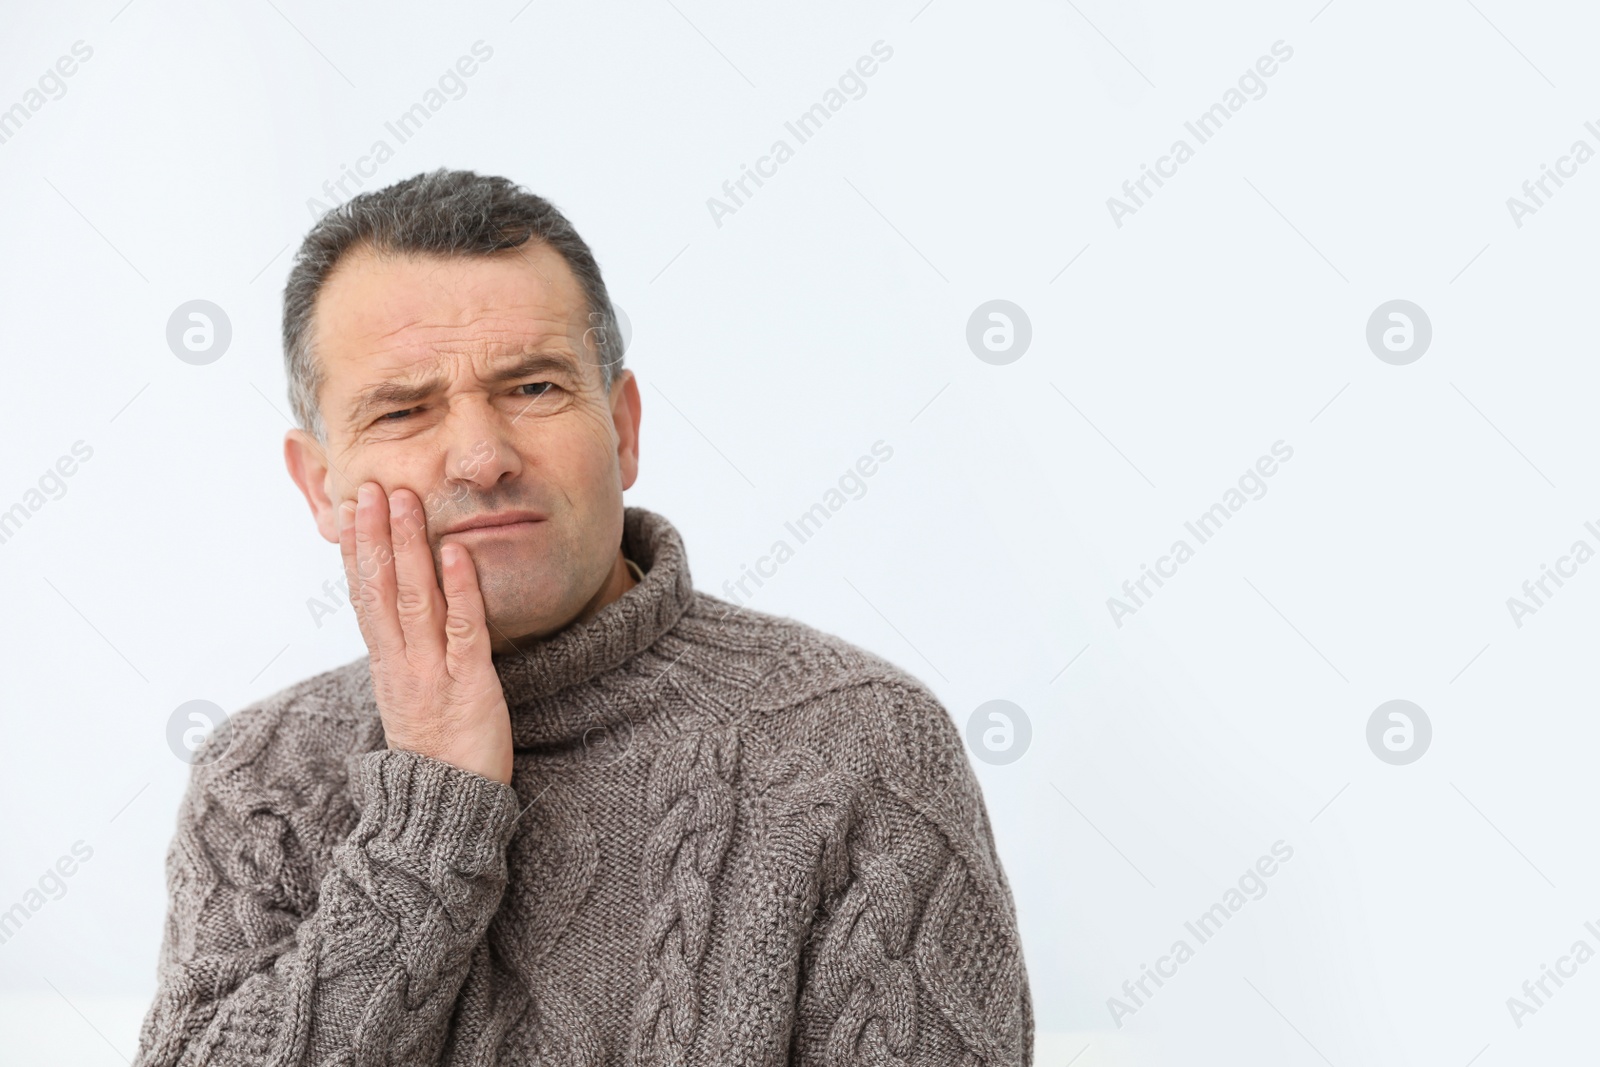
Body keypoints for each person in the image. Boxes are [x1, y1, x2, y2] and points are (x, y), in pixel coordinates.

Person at [132, 168, 1033, 1065]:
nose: (482, 457)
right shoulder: (262, 776)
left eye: (533, 388)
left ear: (624, 427)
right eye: (405, 410)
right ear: (320, 486)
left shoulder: (862, 745)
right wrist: (429, 809)